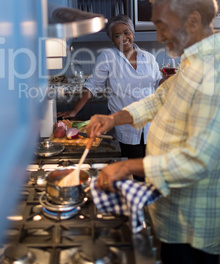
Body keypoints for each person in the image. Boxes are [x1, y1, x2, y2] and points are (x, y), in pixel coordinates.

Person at [86, 0, 220, 264]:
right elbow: (159, 98)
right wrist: (113, 118)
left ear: (193, 20)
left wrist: (125, 165)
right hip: (174, 218)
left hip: (193, 226)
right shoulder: (193, 61)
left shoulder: (213, 72)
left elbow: (197, 161)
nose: (157, 36)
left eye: (161, 24)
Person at [58, 14, 162, 166]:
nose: (124, 38)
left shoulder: (149, 58)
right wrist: (74, 111)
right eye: (117, 35)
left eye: (127, 32)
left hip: (151, 126)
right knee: (133, 170)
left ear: (133, 33)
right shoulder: (108, 57)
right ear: (112, 39)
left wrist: (165, 80)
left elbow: (157, 82)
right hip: (126, 126)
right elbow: (93, 85)